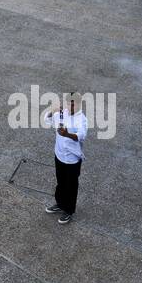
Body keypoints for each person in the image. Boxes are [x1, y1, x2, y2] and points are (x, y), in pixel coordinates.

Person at [42, 94, 87, 225]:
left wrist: (67, 134)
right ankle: (60, 204)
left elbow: (81, 136)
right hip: (59, 154)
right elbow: (47, 121)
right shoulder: (62, 113)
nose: (71, 106)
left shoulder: (81, 119)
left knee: (71, 186)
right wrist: (52, 110)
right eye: (69, 103)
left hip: (72, 160)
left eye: (74, 104)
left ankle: (69, 210)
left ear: (79, 105)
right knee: (60, 181)